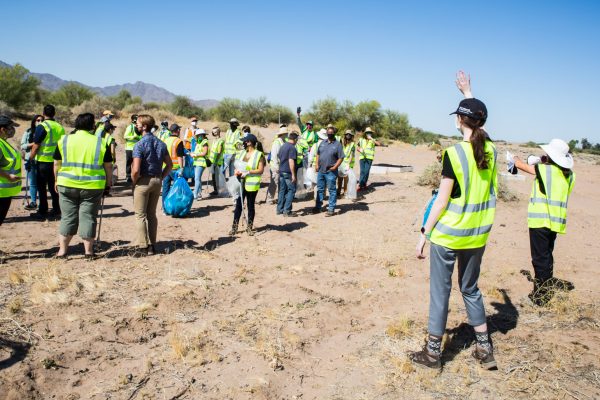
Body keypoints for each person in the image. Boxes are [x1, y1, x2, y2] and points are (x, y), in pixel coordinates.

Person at [411, 72, 498, 371]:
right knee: (470, 289)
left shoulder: (453, 153)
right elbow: (478, 123)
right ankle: (485, 349)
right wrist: (468, 92)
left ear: (460, 121)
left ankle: (434, 353)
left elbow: (442, 199)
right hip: (477, 236)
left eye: (459, 117)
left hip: (448, 235)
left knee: (441, 291)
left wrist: (424, 232)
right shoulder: (491, 150)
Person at [512, 140, 575, 306]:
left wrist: (515, 159)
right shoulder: (569, 174)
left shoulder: (545, 171)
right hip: (555, 222)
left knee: (539, 259)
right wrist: (544, 160)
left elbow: (523, 166)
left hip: (540, 220)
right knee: (546, 257)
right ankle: (545, 290)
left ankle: (540, 297)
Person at [53, 113, 113, 259]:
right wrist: (108, 183)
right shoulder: (99, 142)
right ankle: (88, 252)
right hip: (92, 186)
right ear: (92, 125)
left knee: (67, 217)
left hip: (66, 184)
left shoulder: (64, 140)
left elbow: (56, 164)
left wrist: (56, 180)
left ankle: (62, 252)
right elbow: (108, 166)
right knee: (88, 217)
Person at [131, 115, 172, 255]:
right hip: (157, 181)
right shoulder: (161, 144)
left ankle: (143, 246)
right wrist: (161, 176)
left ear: (144, 126)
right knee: (151, 215)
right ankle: (152, 245)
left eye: (137, 124)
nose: (136, 125)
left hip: (143, 181)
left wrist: (134, 180)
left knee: (140, 215)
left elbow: (136, 169)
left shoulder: (139, 144)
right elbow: (170, 165)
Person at [30, 104, 65, 219]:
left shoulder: (42, 126)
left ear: (43, 113)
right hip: (56, 162)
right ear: (54, 114)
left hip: (43, 162)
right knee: (54, 187)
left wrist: (30, 158)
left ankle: (43, 210)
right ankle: (56, 210)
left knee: (41, 187)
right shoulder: (60, 127)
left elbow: (36, 145)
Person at [229, 133, 265, 236]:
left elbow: (261, 170)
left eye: (245, 141)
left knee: (250, 206)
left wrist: (248, 172)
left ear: (249, 142)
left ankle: (249, 228)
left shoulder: (259, 154)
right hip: (241, 183)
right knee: (238, 206)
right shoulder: (242, 153)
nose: (243, 143)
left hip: (252, 185)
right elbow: (238, 165)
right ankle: (234, 228)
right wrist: (237, 171)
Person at [314, 124, 344, 216]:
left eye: (331, 132)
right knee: (320, 189)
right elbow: (318, 154)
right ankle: (318, 207)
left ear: (334, 133)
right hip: (321, 170)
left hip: (331, 171)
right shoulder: (323, 142)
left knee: (332, 190)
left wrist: (335, 167)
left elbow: (341, 157)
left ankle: (331, 209)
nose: (329, 133)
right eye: (328, 132)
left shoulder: (338, 144)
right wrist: (316, 164)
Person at [0, 116, 22, 225]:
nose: (12, 130)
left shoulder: (3, 142)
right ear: (2, 129)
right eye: (10, 127)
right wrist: (8, 177)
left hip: (4, 193)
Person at [21, 115, 42, 210]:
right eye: (38, 120)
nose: (40, 122)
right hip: (30, 160)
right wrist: (34, 144)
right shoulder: (28, 131)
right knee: (32, 182)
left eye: (42, 120)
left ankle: (42, 203)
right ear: (34, 122)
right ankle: (33, 202)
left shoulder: (45, 132)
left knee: (41, 183)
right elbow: (23, 146)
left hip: (42, 160)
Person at [162, 124, 185, 207]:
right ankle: (176, 207)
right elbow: (179, 156)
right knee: (177, 189)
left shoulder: (165, 140)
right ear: (178, 130)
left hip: (165, 168)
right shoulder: (178, 141)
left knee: (165, 189)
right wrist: (182, 168)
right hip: (175, 169)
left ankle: (165, 208)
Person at [277, 131, 298, 216]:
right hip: (288, 172)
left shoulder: (283, 146)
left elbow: (279, 157)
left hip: (281, 171)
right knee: (291, 190)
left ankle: (279, 209)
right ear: (295, 139)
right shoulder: (292, 148)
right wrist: (293, 174)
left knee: (282, 190)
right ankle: (287, 211)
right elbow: (291, 161)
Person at [267, 126, 288, 204]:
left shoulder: (283, 141)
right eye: (286, 133)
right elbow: (274, 155)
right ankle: (269, 199)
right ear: (283, 134)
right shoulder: (277, 142)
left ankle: (280, 198)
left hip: (281, 166)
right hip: (276, 166)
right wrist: (276, 166)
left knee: (280, 183)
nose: (287, 135)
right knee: (274, 183)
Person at [337, 129, 356, 198]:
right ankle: (338, 191)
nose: (348, 135)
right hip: (341, 162)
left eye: (349, 135)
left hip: (348, 164)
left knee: (346, 179)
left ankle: (345, 192)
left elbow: (351, 155)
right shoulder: (342, 142)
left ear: (351, 136)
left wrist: (348, 164)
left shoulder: (352, 144)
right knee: (339, 178)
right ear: (345, 135)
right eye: (347, 134)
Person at [191, 129, 209, 200]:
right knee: (198, 178)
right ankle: (199, 193)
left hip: (201, 163)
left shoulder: (205, 142)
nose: (199, 136)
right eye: (198, 135)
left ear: (203, 135)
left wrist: (195, 154)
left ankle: (195, 194)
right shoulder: (198, 142)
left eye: (200, 135)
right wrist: (192, 154)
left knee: (197, 179)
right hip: (196, 162)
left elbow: (204, 153)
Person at [123, 114, 140, 183]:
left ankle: (135, 176)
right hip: (129, 148)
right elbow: (125, 136)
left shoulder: (139, 127)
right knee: (129, 162)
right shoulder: (130, 127)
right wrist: (133, 137)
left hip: (137, 148)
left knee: (136, 162)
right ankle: (128, 176)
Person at [208, 127, 224, 195]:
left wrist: (216, 161)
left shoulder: (221, 141)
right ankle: (215, 190)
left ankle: (218, 191)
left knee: (216, 177)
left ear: (218, 132)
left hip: (217, 162)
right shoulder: (215, 140)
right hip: (212, 161)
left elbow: (219, 152)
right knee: (213, 177)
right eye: (212, 132)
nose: (213, 133)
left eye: (214, 132)